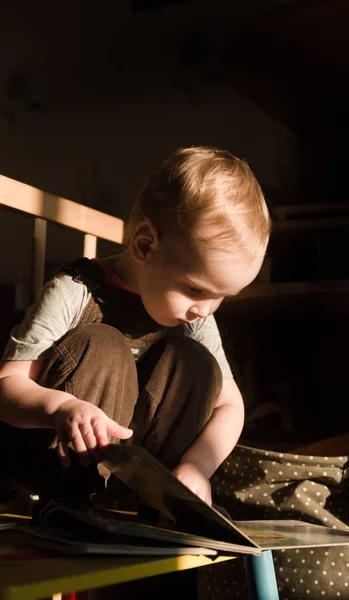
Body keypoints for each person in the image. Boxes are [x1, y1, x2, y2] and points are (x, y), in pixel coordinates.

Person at [0, 146, 270, 506]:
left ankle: (156, 500)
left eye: (222, 296)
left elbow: (230, 405)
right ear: (144, 246)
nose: (204, 310)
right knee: (104, 345)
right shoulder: (75, 291)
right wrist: (59, 407)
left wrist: (196, 467)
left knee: (196, 362)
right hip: (61, 470)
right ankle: (80, 505)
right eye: (195, 288)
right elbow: (7, 385)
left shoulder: (197, 317)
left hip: (141, 478)